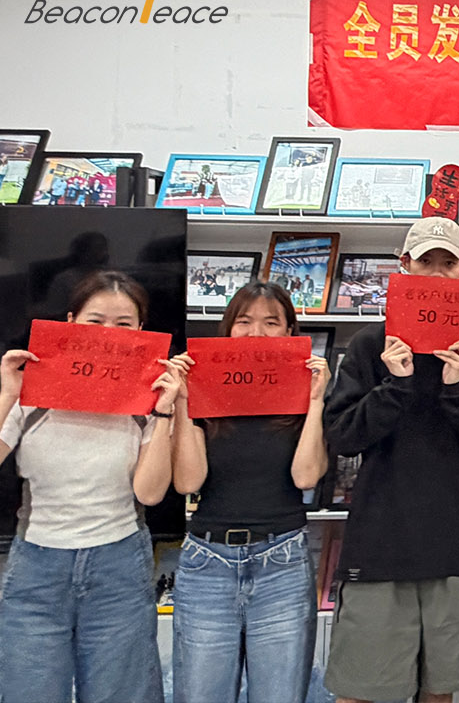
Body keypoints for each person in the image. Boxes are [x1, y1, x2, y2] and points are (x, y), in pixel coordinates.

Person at [322, 217, 459, 703]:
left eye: (447, 263)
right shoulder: (372, 345)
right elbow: (342, 435)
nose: (436, 273)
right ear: (404, 266)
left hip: (455, 542)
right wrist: (394, 385)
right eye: (425, 261)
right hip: (380, 543)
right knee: (359, 690)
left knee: (440, 690)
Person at [0, 270, 177, 702]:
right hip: (37, 566)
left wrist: (165, 413)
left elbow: (150, 494)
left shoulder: (147, 400)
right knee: (29, 691)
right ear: (71, 322)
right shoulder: (30, 389)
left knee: (122, 693)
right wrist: (7, 395)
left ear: (141, 331)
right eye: (95, 321)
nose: (108, 334)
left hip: (119, 563)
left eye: (124, 324)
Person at [167, 281, 331, 703]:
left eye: (271, 323)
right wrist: (184, 402)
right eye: (244, 321)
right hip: (207, 562)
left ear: (290, 332)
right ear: (228, 329)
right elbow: (188, 483)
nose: (256, 332)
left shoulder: (301, 396)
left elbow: (306, 477)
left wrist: (315, 402)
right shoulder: (204, 388)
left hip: (282, 561)